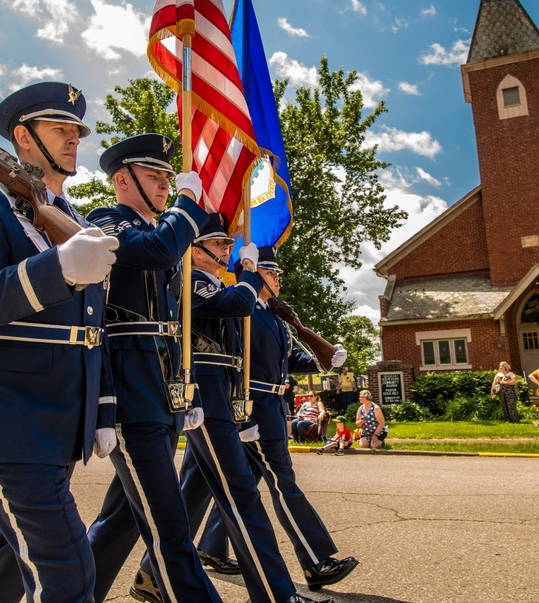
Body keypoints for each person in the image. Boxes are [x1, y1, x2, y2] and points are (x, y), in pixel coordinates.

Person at [0, 81, 119, 603]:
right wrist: (58, 268)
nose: (73, 138)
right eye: (59, 129)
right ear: (23, 138)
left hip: (61, 421)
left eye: (77, 131)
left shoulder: (77, 224)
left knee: (2, 568)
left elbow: (95, 326)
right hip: (11, 418)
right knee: (66, 572)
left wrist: (103, 407)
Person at [129, 215, 322, 603]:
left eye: (226, 243)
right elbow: (233, 305)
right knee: (241, 496)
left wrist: (243, 412)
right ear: (194, 249)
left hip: (224, 399)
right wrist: (250, 273)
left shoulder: (218, 283)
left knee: (197, 493)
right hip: (205, 396)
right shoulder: (191, 281)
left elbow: (238, 353)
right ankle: (277, 595)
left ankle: (151, 576)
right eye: (217, 244)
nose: (226, 249)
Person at [84, 133, 224, 603]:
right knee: (170, 524)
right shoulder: (106, 222)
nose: (166, 182)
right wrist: (188, 203)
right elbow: (157, 250)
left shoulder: (165, 232)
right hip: (131, 392)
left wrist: (191, 394)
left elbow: (178, 324)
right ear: (122, 181)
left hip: (163, 391)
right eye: (154, 175)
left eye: (168, 176)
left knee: (123, 518)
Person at [197, 246, 359, 593]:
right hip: (254, 407)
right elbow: (234, 365)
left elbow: (285, 362)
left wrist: (321, 357)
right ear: (256, 276)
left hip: (273, 407)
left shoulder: (271, 314)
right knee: (284, 483)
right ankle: (317, 561)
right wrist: (242, 418)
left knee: (246, 483)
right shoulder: (242, 312)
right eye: (272, 274)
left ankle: (210, 547)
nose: (277, 279)